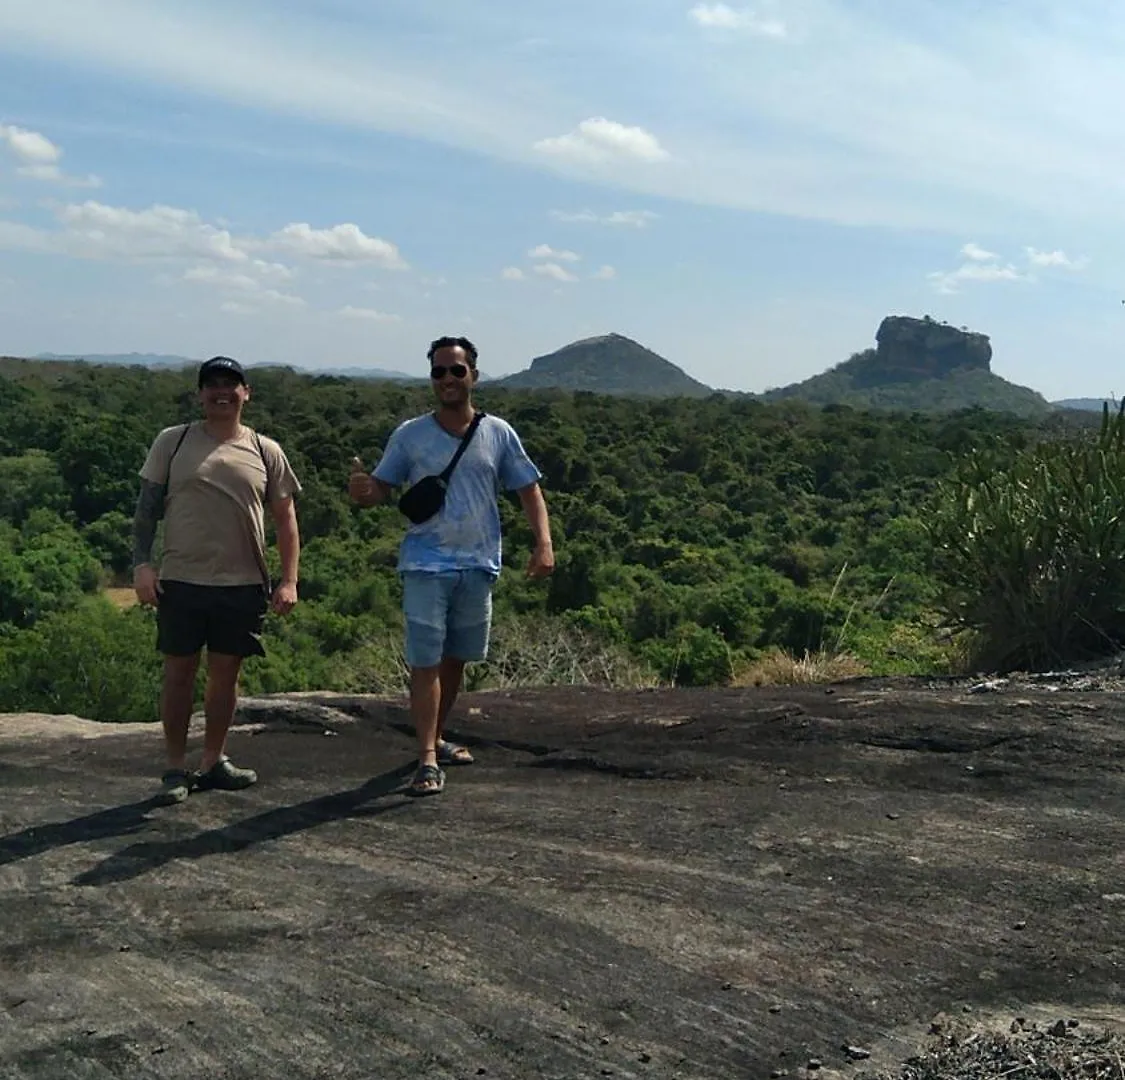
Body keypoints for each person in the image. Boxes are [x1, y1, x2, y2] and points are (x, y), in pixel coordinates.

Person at [348, 335, 555, 797]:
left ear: (473, 377)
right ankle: (425, 759)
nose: (447, 379)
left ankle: (436, 739)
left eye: (456, 370)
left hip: (479, 563)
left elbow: (528, 490)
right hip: (426, 562)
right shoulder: (410, 435)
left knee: (456, 658)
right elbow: (381, 488)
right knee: (425, 661)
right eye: (439, 371)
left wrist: (543, 543)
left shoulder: (497, 433)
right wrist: (364, 491)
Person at [132, 356, 302, 805]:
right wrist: (141, 565)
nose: (221, 392)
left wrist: (289, 579)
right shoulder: (173, 441)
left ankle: (212, 760)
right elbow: (146, 509)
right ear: (199, 394)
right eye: (212, 385)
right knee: (178, 674)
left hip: (242, 580)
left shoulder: (266, 449)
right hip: (181, 578)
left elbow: (285, 519)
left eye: (231, 384)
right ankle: (173, 767)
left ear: (247, 393)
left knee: (225, 677)